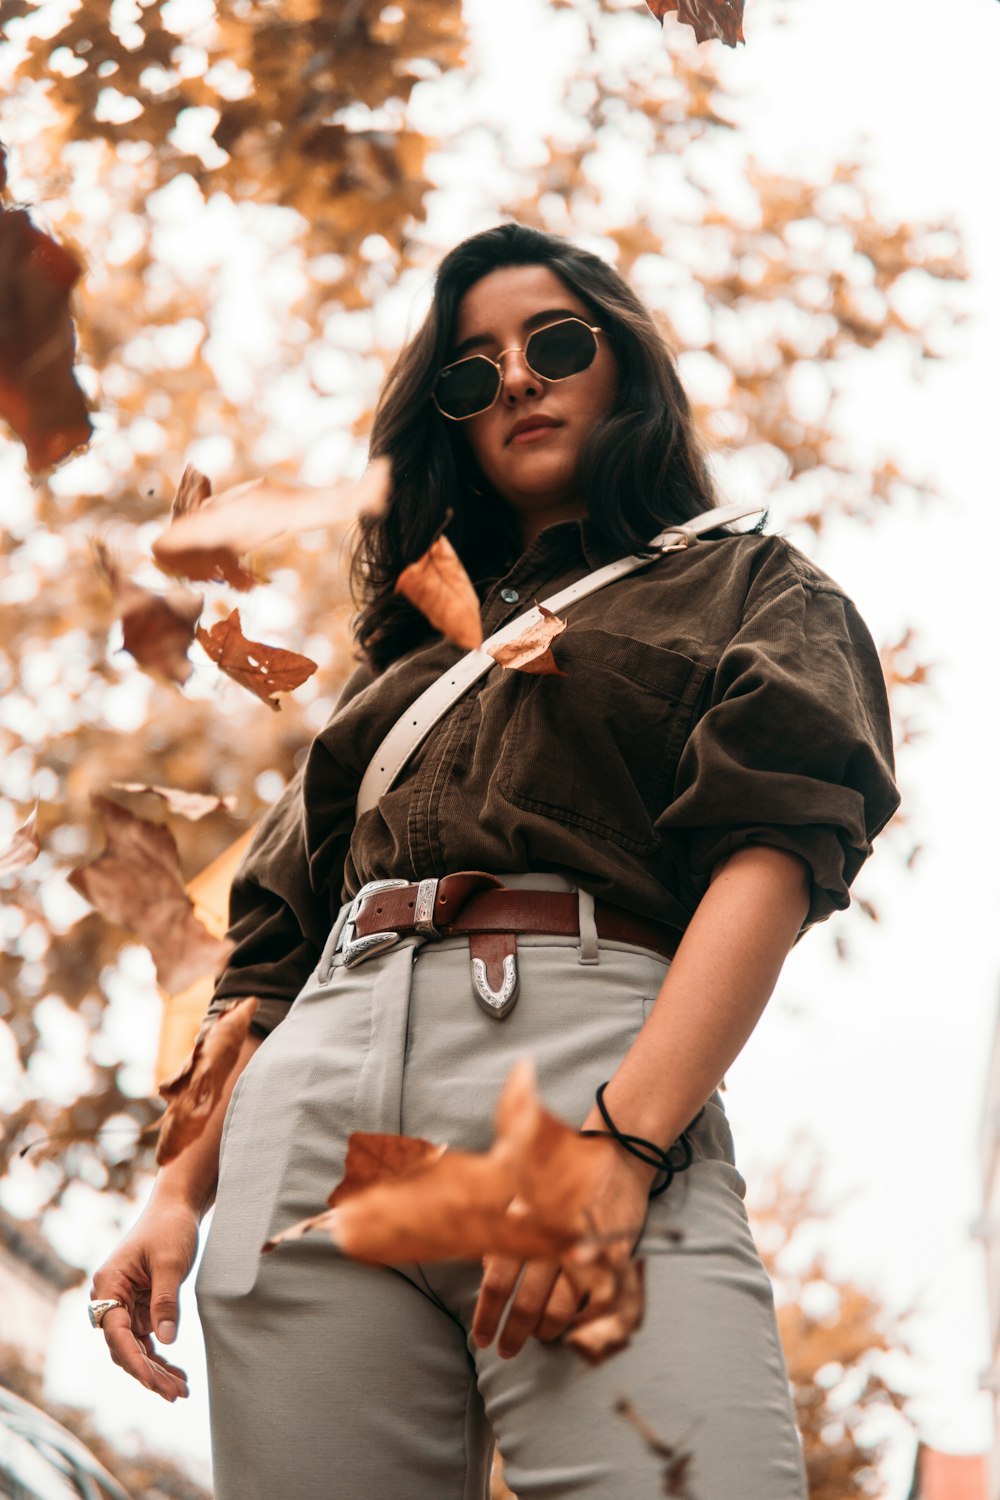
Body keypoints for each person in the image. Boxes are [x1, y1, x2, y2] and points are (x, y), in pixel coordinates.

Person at [90, 222, 899, 1500]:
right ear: (448, 422)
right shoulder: (397, 671)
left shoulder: (751, 589)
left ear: (621, 364)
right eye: (472, 372)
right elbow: (269, 952)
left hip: (581, 1077)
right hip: (310, 1117)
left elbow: (775, 854)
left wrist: (624, 1144)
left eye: (554, 343)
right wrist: (175, 1196)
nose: (516, 378)